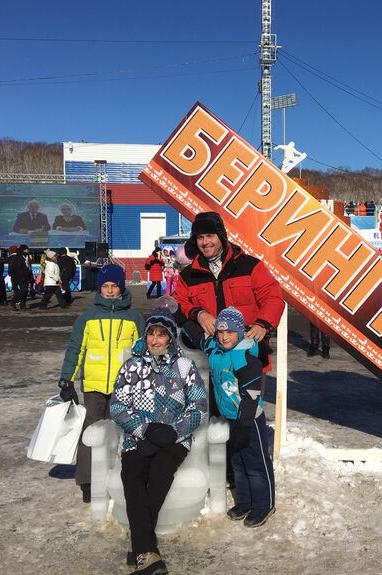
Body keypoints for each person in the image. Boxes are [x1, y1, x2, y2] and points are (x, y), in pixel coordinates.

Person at [111, 305, 207, 573]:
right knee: (132, 476)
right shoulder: (132, 366)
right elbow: (118, 406)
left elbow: (198, 406)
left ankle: (140, 546)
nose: (155, 340)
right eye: (151, 334)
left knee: (161, 472)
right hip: (137, 438)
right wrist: (143, 430)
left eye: (161, 335)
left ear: (170, 338)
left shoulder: (184, 367)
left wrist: (174, 432)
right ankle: (147, 549)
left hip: (175, 439)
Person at [58, 264, 145, 504]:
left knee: (120, 432)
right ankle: (88, 480)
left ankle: (119, 477)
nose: (109, 291)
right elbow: (76, 349)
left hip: (123, 386)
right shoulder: (88, 318)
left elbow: (143, 352)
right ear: (99, 289)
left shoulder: (134, 318)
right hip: (94, 386)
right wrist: (67, 380)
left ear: (121, 287)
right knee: (92, 431)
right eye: (105, 287)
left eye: (113, 286)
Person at [182, 306, 275, 528]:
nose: (224, 337)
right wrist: (186, 315)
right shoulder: (214, 348)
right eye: (221, 332)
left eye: (230, 332)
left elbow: (251, 397)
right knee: (238, 462)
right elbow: (194, 333)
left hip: (249, 419)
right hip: (230, 419)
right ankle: (244, 501)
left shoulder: (245, 357)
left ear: (240, 333)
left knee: (255, 463)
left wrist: (244, 426)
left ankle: (264, 503)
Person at [174, 211, 285, 376]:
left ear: (221, 236)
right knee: (212, 402)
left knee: (247, 402)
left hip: (248, 355)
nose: (205, 242)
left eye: (210, 236)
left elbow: (273, 297)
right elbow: (177, 304)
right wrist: (198, 314)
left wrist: (263, 324)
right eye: (200, 237)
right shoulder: (188, 275)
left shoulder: (250, 266)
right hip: (209, 360)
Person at [8, 245, 30, 311]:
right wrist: (22, 275)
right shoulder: (19, 257)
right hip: (20, 276)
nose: (28, 250)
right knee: (23, 290)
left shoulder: (26, 256)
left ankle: (22, 305)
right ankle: (14, 301)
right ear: (23, 250)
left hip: (25, 276)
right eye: (26, 249)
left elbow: (27, 267)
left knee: (25, 291)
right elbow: (17, 267)